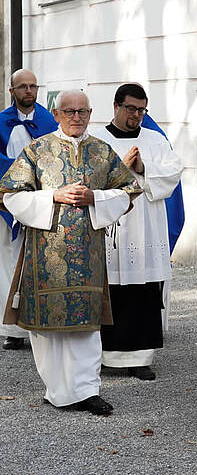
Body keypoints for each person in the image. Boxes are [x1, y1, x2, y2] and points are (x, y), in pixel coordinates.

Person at [0, 90, 140, 416]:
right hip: (45, 254)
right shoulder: (36, 150)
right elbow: (10, 194)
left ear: (91, 113)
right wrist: (53, 197)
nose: (76, 118)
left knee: (86, 325)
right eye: (69, 111)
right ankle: (58, 391)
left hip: (87, 255)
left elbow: (129, 191)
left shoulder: (102, 152)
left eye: (82, 112)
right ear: (57, 113)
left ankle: (87, 390)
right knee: (47, 327)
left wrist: (96, 199)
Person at [93, 83, 183, 381]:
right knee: (113, 292)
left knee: (144, 292)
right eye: (130, 108)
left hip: (146, 227)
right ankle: (109, 356)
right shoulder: (97, 140)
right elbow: (89, 179)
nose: (136, 115)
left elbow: (172, 173)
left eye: (141, 110)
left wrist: (143, 167)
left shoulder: (154, 139)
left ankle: (141, 358)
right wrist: (120, 168)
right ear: (116, 106)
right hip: (113, 228)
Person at [0, 69, 57, 351]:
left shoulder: (49, 121)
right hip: (8, 201)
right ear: (12, 91)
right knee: (10, 263)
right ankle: (12, 329)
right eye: (22, 86)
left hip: (41, 200)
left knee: (39, 260)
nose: (28, 91)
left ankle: (39, 323)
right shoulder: (1, 121)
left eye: (33, 86)